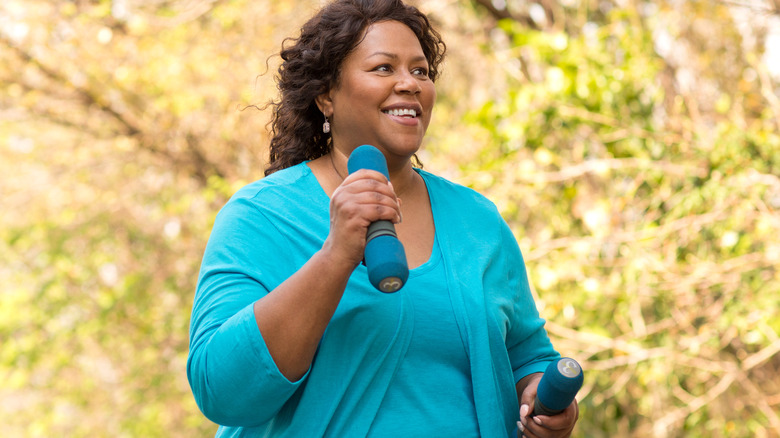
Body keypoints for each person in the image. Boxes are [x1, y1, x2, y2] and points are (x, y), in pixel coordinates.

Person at [187, 0, 579, 436]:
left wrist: (543, 397)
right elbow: (219, 390)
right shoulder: (261, 216)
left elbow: (526, 353)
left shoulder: (478, 221)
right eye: (383, 68)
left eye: (421, 71)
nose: (409, 84)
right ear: (325, 96)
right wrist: (336, 255)